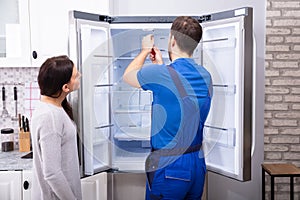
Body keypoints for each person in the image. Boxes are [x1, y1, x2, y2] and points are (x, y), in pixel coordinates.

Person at [123, 16, 212, 199]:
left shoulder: (161, 75)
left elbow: (128, 76)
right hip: (197, 163)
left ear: (172, 40)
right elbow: (182, 103)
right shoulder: (206, 76)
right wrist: (161, 67)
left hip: (170, 166)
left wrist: (144, 51)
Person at [31, 55, 82, 200]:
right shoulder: (50, 117)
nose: (80, 76)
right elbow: (52, 173)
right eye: (76, 76)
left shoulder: (51, 107)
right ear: (65, 87)